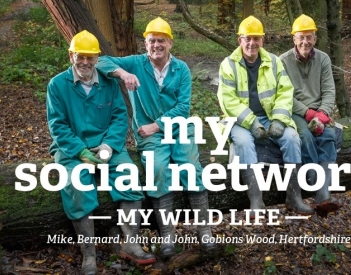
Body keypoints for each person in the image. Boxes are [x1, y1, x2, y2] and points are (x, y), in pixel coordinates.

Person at [95, 17, 216, 260]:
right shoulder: (137, 63)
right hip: (148, 136)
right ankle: (168, 234)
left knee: (191, 167)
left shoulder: (181, 69)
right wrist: (123, 73)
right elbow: (100, 61)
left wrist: (157, 125)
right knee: (158, 170)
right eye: (152, 41)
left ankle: (205, 231)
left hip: (178, 129)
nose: (156, 45)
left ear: (170, 43)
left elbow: (183, 107)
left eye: (161, 40)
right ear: (145, 43)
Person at [46, 30, 156, 274]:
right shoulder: (57, 85)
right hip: (71, 148)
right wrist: (80, 152)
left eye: (91, 57)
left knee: (128, 173)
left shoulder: (108, 83)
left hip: (107, 144)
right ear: (71, 55)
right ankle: (89, 254)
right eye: (80, 56)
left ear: (97, 58)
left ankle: (131, 243)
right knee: (76, 184)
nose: (85, 62)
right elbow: (57, 125)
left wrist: (108, 146)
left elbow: (119, 117)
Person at [217, 16, 314, 216]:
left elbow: (285, 92)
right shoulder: (228, 65)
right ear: (240, 40)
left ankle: (294, 196)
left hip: (270, 116)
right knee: (243, 142)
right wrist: (252, 124)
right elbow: (228, 101)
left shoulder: (274, 61)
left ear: (262, 40)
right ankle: (256, 199)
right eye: (247, 38)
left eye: (256, 38)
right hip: (240, 121)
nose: (251, 43)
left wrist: (278, 119)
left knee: (292, 138)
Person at [279, 14, 341, 214]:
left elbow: (330, 90)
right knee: (305, 136)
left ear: (315, 38)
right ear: (294, 39)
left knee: (329, 136)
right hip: (297, 112)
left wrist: (323, 114)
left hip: (320, 112)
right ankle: (315, 181)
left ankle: (323, 195)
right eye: (301, 37)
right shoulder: (283, 62)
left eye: (309, 37)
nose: (305, 41)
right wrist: (308, 114)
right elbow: (285, 96)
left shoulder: (323, 59)